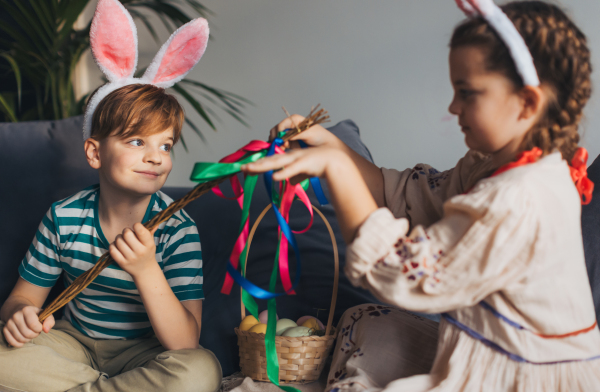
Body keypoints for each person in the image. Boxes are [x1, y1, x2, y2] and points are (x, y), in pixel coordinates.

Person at [242, 1, 600, 391]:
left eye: (467, 93)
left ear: (527, 103)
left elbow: (405, 274)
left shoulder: (519, 198)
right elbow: (409, 195)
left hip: (527, 378)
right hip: (487, 348)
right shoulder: (493, 165)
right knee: (367, 320)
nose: (453, 107)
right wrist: (336, 148)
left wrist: (337, 169)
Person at [0, 1, 221, 390]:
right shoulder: (63, 217)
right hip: (74, 346)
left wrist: (146, 268)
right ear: (95, 152)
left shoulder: (177, 229)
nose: (156, 156)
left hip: (147, 353)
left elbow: (186, 343)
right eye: (137, 141)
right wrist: (20, 315)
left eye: (166, 145)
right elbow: (21, 300)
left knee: (201, 369)